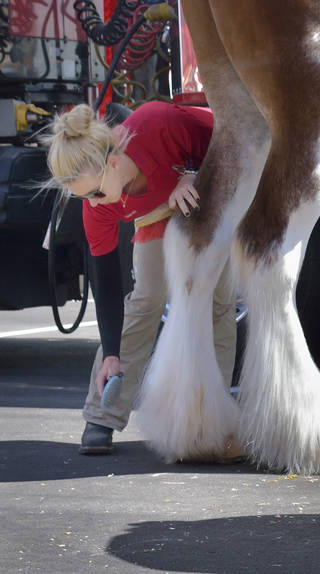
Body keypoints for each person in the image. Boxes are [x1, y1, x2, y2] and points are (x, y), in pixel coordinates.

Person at [45, 102, 237, 455]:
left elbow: (233, 140)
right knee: (146, 299)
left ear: (114, 164)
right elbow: (107, 284)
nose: (94, 204)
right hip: (156, 213)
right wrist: (111, 355)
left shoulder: (157, 123)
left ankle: (212, 421)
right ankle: (102, 413)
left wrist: (194, 172)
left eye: (95, 193)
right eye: (82, 197)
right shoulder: (96, 208)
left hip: (211, 186)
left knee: (217, 301)